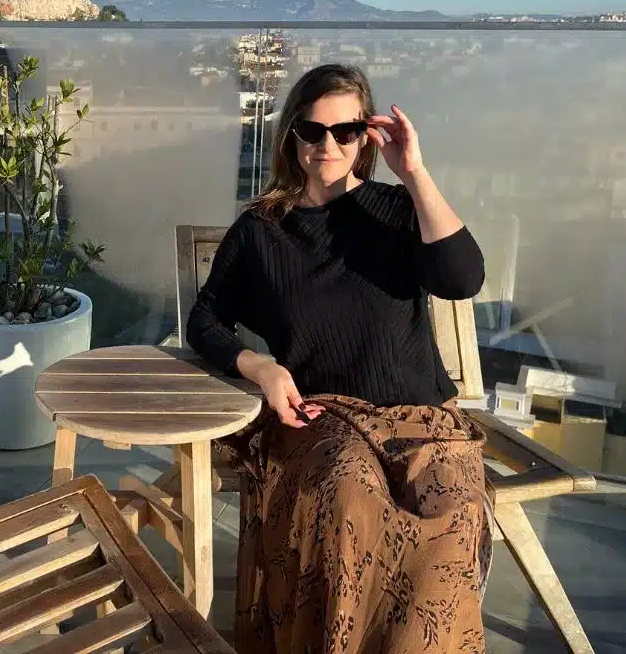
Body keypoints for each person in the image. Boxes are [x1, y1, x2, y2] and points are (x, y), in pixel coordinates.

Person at [187, 63, 491, 654]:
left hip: (419, 419)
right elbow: (206, 320)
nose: (328, 144)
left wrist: (415, 172)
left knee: (450, 504)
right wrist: (261, 367)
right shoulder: (261, 231)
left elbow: (463, 278)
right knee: (348, 498)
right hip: (323, 418)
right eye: (313, 130)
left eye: (346, 131)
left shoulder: (398, 211)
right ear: (292, 137)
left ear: (365, 138)